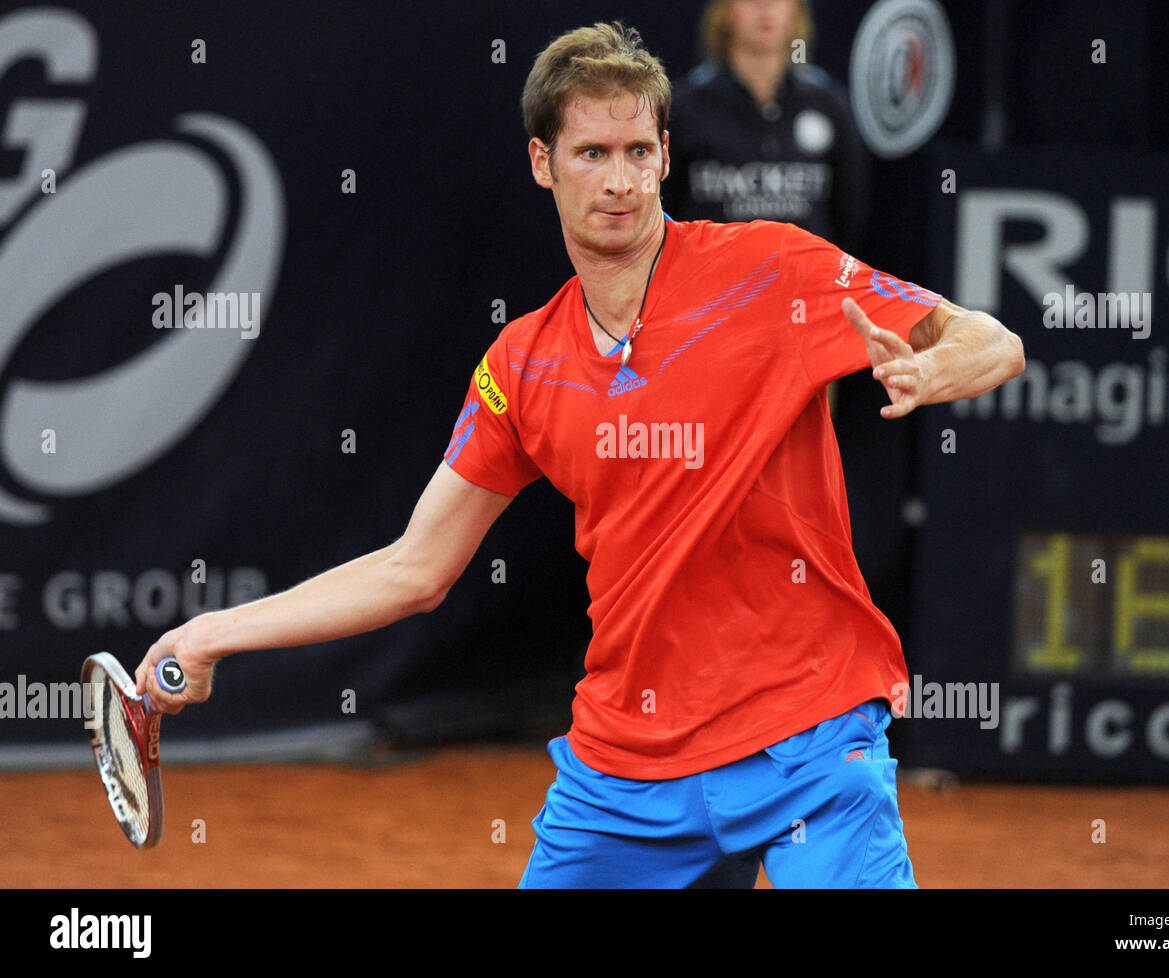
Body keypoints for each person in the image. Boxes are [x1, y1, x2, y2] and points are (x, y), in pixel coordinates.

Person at [135, 21, 1024, 889]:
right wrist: (214, 632)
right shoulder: (518, 366)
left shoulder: (772, 271)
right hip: (630, 768)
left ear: (666, 157)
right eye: (592, 154)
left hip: (810, 734)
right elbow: (414, 568)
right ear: (542, 164)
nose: (620, 182)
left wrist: (944, 362)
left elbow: (991, 337)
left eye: (639, 151)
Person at [661, 0, 870, 417]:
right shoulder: (686, 107)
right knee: (711, 466)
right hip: (709, 326)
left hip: (808, 327)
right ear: (723, 12)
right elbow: (661, 218)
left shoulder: (827, 103)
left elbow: (852, 218)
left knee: (803, 470)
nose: (764, 8)